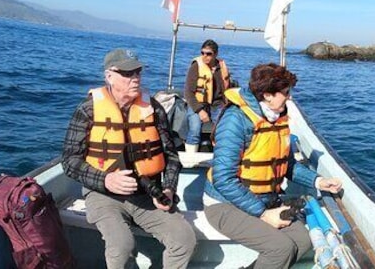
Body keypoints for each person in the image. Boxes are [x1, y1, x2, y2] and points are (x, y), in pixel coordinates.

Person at [62, 48, 196, 269]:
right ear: (109, 76)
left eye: (138, 72)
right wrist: (105, 180)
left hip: (147, 194)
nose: (135, 78)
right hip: (103, 195)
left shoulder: (154, 109)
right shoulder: (88, 110)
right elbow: (69, 161)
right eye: (127, 73)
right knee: (121, 246)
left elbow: (171, 157)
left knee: (183, 240)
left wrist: (169, 189)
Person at [204, 63, 342, 269]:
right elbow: (223, 179)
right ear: (267, 95)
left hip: (264, 200)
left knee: (303, 240)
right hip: (224, 205)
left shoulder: (277, 119)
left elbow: (286, 165)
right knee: (280, 248)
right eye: (285, 93)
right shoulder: (236, 120)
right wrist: (263, 213)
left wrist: (318, 181)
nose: (289, 97)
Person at [184, 39, 235, 152]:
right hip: (197, 103)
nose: (204, 56)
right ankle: (191, 159)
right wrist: (200, 111)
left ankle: (221, 155)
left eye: (208, 54)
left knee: (224, 128)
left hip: (217, 104)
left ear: (215, 54)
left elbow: (227, 90)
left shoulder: (221, 68)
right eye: (202, 53)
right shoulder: (195, 67)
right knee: (195, 128)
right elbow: (188, 92)